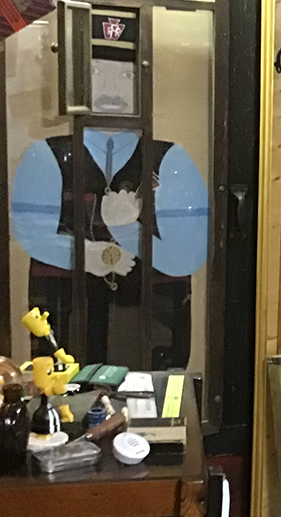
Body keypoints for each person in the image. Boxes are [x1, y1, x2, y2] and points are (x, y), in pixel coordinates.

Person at [11, 128, 208, 368]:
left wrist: (128, 231)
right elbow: (28, 233)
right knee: (63, 379)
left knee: (149, 383)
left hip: (152, 319)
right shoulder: (46, 154)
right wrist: (84, 254)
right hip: (66, 311)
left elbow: (190, 253)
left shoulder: (173, 158)